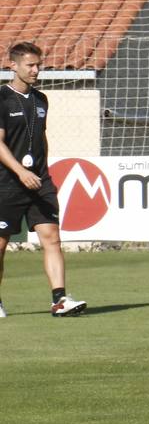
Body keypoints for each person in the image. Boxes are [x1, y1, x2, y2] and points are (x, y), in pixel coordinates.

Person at [0, 42, 87, 317]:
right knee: (1, 244)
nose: (37, 70)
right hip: (6, 183)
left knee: (52, 238)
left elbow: (41, 139)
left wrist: (43, 173)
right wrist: (20, 171)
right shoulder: (1, 98)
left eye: (39, 64)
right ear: (13, 65)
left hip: (39, 181)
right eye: (31, 65)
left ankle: (59, 300)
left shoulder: (41, 100)